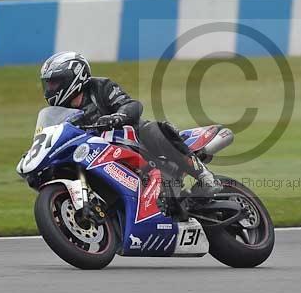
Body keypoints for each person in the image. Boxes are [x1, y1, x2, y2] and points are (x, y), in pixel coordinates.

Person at [38, 51, 221, 200]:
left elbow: (132, 105)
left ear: (73, 77)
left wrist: (118, 116)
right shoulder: (59, 111)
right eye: (48, 83)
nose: (50, 88)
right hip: (96, 154)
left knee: (156, 130)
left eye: (55, 82)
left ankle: (205, 177)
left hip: (130, 139)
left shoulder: (100, 87)